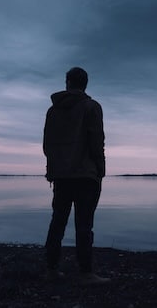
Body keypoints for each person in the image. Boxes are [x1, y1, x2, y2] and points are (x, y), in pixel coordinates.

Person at [43, 67, 109, 285]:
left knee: (58, 222)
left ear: (67, 83)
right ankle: (85, 273)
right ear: (86, 84)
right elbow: (96, 141)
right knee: (84, 224)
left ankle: (51, 269)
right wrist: (101, 169)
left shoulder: (53, 111)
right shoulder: (92, 107)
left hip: (61, 175)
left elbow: (47, 145)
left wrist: (53, 169)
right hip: (85, 176)